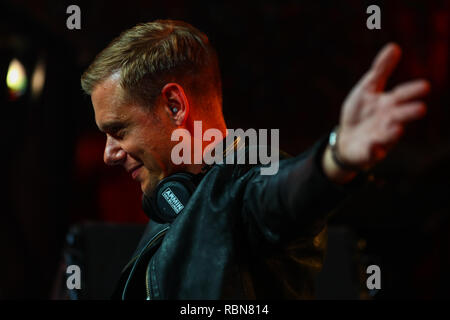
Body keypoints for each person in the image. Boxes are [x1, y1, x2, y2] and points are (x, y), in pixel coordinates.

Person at [80, 20, 430, 299]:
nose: (109, 153)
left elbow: (280, 194)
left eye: (118, 130)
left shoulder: (245, 181)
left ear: (174, 106)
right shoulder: (171, 198)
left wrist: (335, 157)